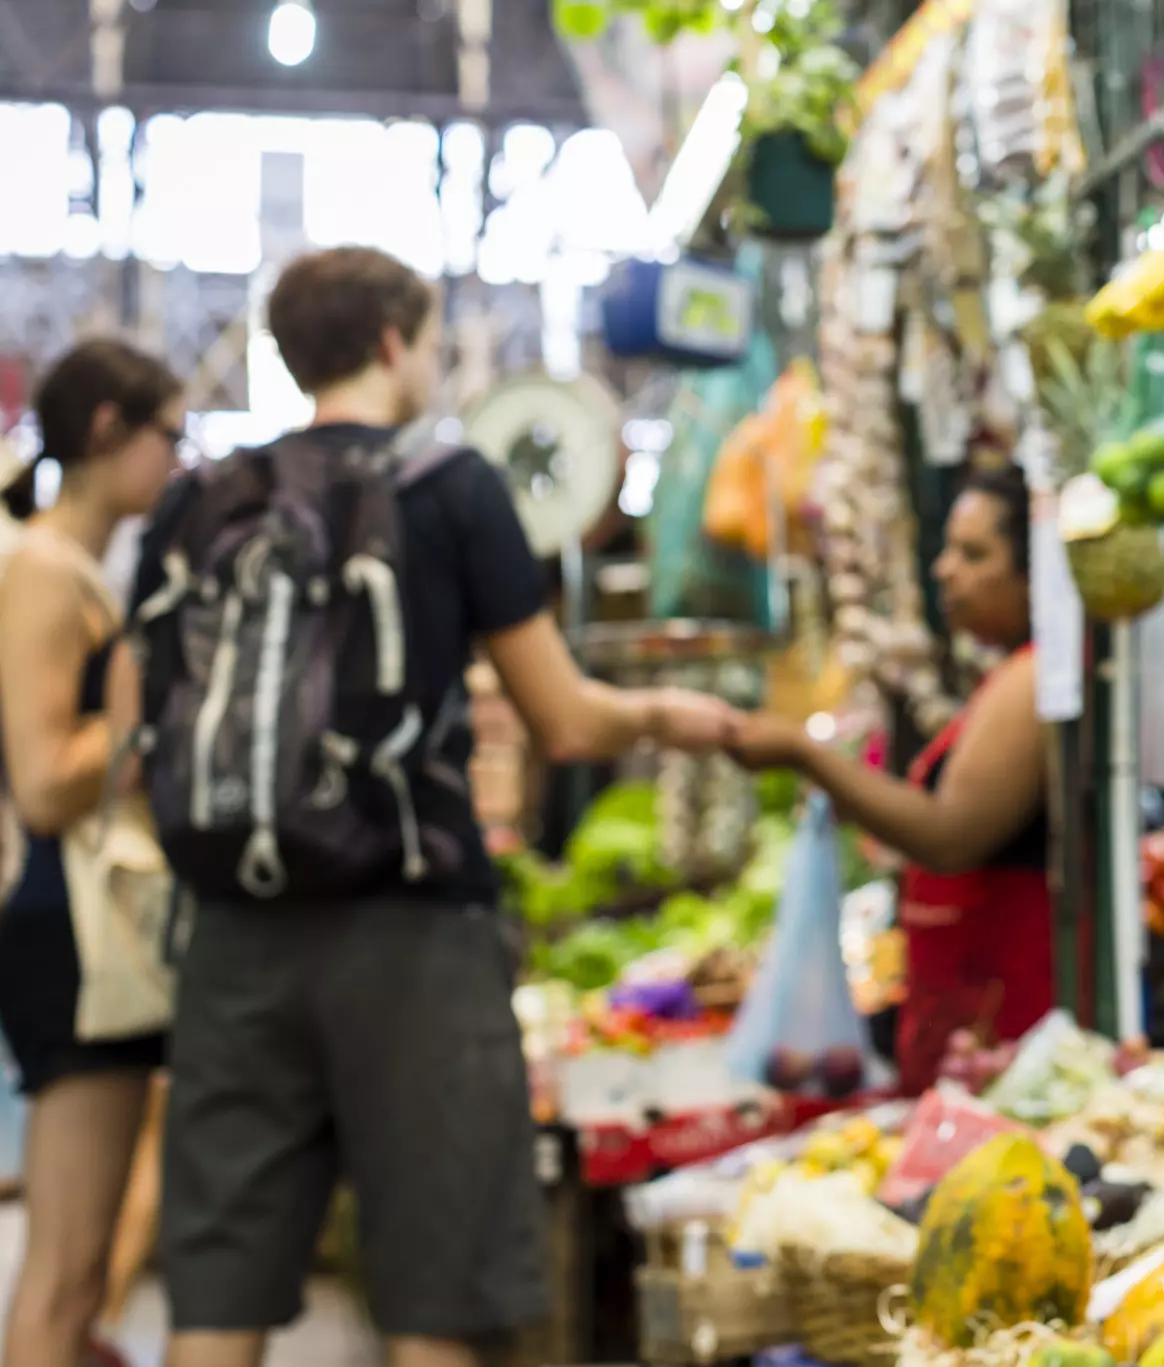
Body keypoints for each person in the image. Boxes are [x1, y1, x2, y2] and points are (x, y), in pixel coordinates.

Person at [130, 246, 738, 1367]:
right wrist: (664, 712)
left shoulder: (198, 500)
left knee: (217, 1290)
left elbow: (150, 720)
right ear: (394, 343)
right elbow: (560, 719)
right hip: (413, 931)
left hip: (234, 929)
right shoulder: (452, 486)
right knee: (435, 1288)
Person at [726, 466, 1050, 1093]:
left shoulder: (1032, 678)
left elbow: (950, 834)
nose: (944, 570)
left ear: (1034, 575)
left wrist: (804, 752)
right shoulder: (1010, 674)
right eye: (950, 549)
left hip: (1000, 1012)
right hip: (971, 1008)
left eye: (973, 553)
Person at [0, 339, 185, 1367]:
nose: (175, 459)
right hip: (66, 928)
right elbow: (38, 777)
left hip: (81, 924)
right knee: (64, 1272)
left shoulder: (75, 569)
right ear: (110, 428)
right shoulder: (42, 570)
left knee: (78, 1281)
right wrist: (137, 721)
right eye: (169, 434)